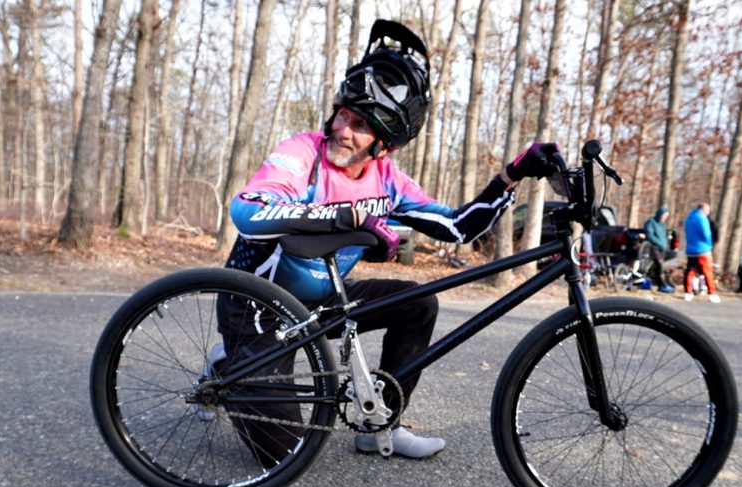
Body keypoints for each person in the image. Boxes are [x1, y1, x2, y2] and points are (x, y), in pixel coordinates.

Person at [216, 20, 561, 463]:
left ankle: (381, 424)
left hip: (325, 302)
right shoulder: (302, 153)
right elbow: (248, 211)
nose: (342, 129)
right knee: (283, 455)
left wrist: (511, 175)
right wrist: (347, 218)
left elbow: (457, 227)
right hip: (259, 306)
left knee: (418, 304)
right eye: (343, 113)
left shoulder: (387, 180)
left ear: (386, 143)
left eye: (360, 124)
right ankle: (227, 362)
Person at [683, 202, 720, 303]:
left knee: (690, 271)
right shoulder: (702, 219)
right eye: (707, 211)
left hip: (690, 249)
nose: (708, 213)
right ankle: (712, 294)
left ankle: (688, 292)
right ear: (703, 210)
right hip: (702, 249)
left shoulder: (688, 218)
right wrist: (709, 245)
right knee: (707, 272)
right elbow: (706, 234)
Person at [642, 207, 674, 293]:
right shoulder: (651, 222)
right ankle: (663, 285)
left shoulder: (663, 225)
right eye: (664, 215)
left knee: (660, 266)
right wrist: (659, 243)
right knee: (659, 264)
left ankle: (660, 285)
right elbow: (650, 235)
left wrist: (665, 244)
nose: (665, 218)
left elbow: (664, 236)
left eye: (666, 216)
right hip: (653, 247)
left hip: (662, 249)